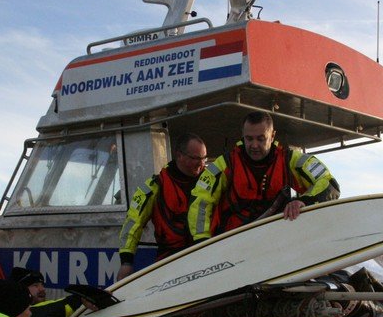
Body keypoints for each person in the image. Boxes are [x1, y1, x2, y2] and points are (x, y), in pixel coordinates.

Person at [188, 111, 339, 242]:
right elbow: (201, 200)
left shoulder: (291, 160)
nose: (254, 145)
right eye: (249, 139)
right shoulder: (225, 164)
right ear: (242, 136)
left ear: (272, 136)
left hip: (277, 240)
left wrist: (303, 201)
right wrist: (202, 241)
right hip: (232, 243)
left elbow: (329, 183)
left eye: (261, 139)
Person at [117, 132, 208, 279]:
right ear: (179, 156)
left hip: (207, 257)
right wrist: (126, 262)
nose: (201, 164)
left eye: (204, 158)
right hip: (170, 262)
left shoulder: (212, 182)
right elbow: (133, 222)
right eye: (195, 158)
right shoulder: (155, 187)